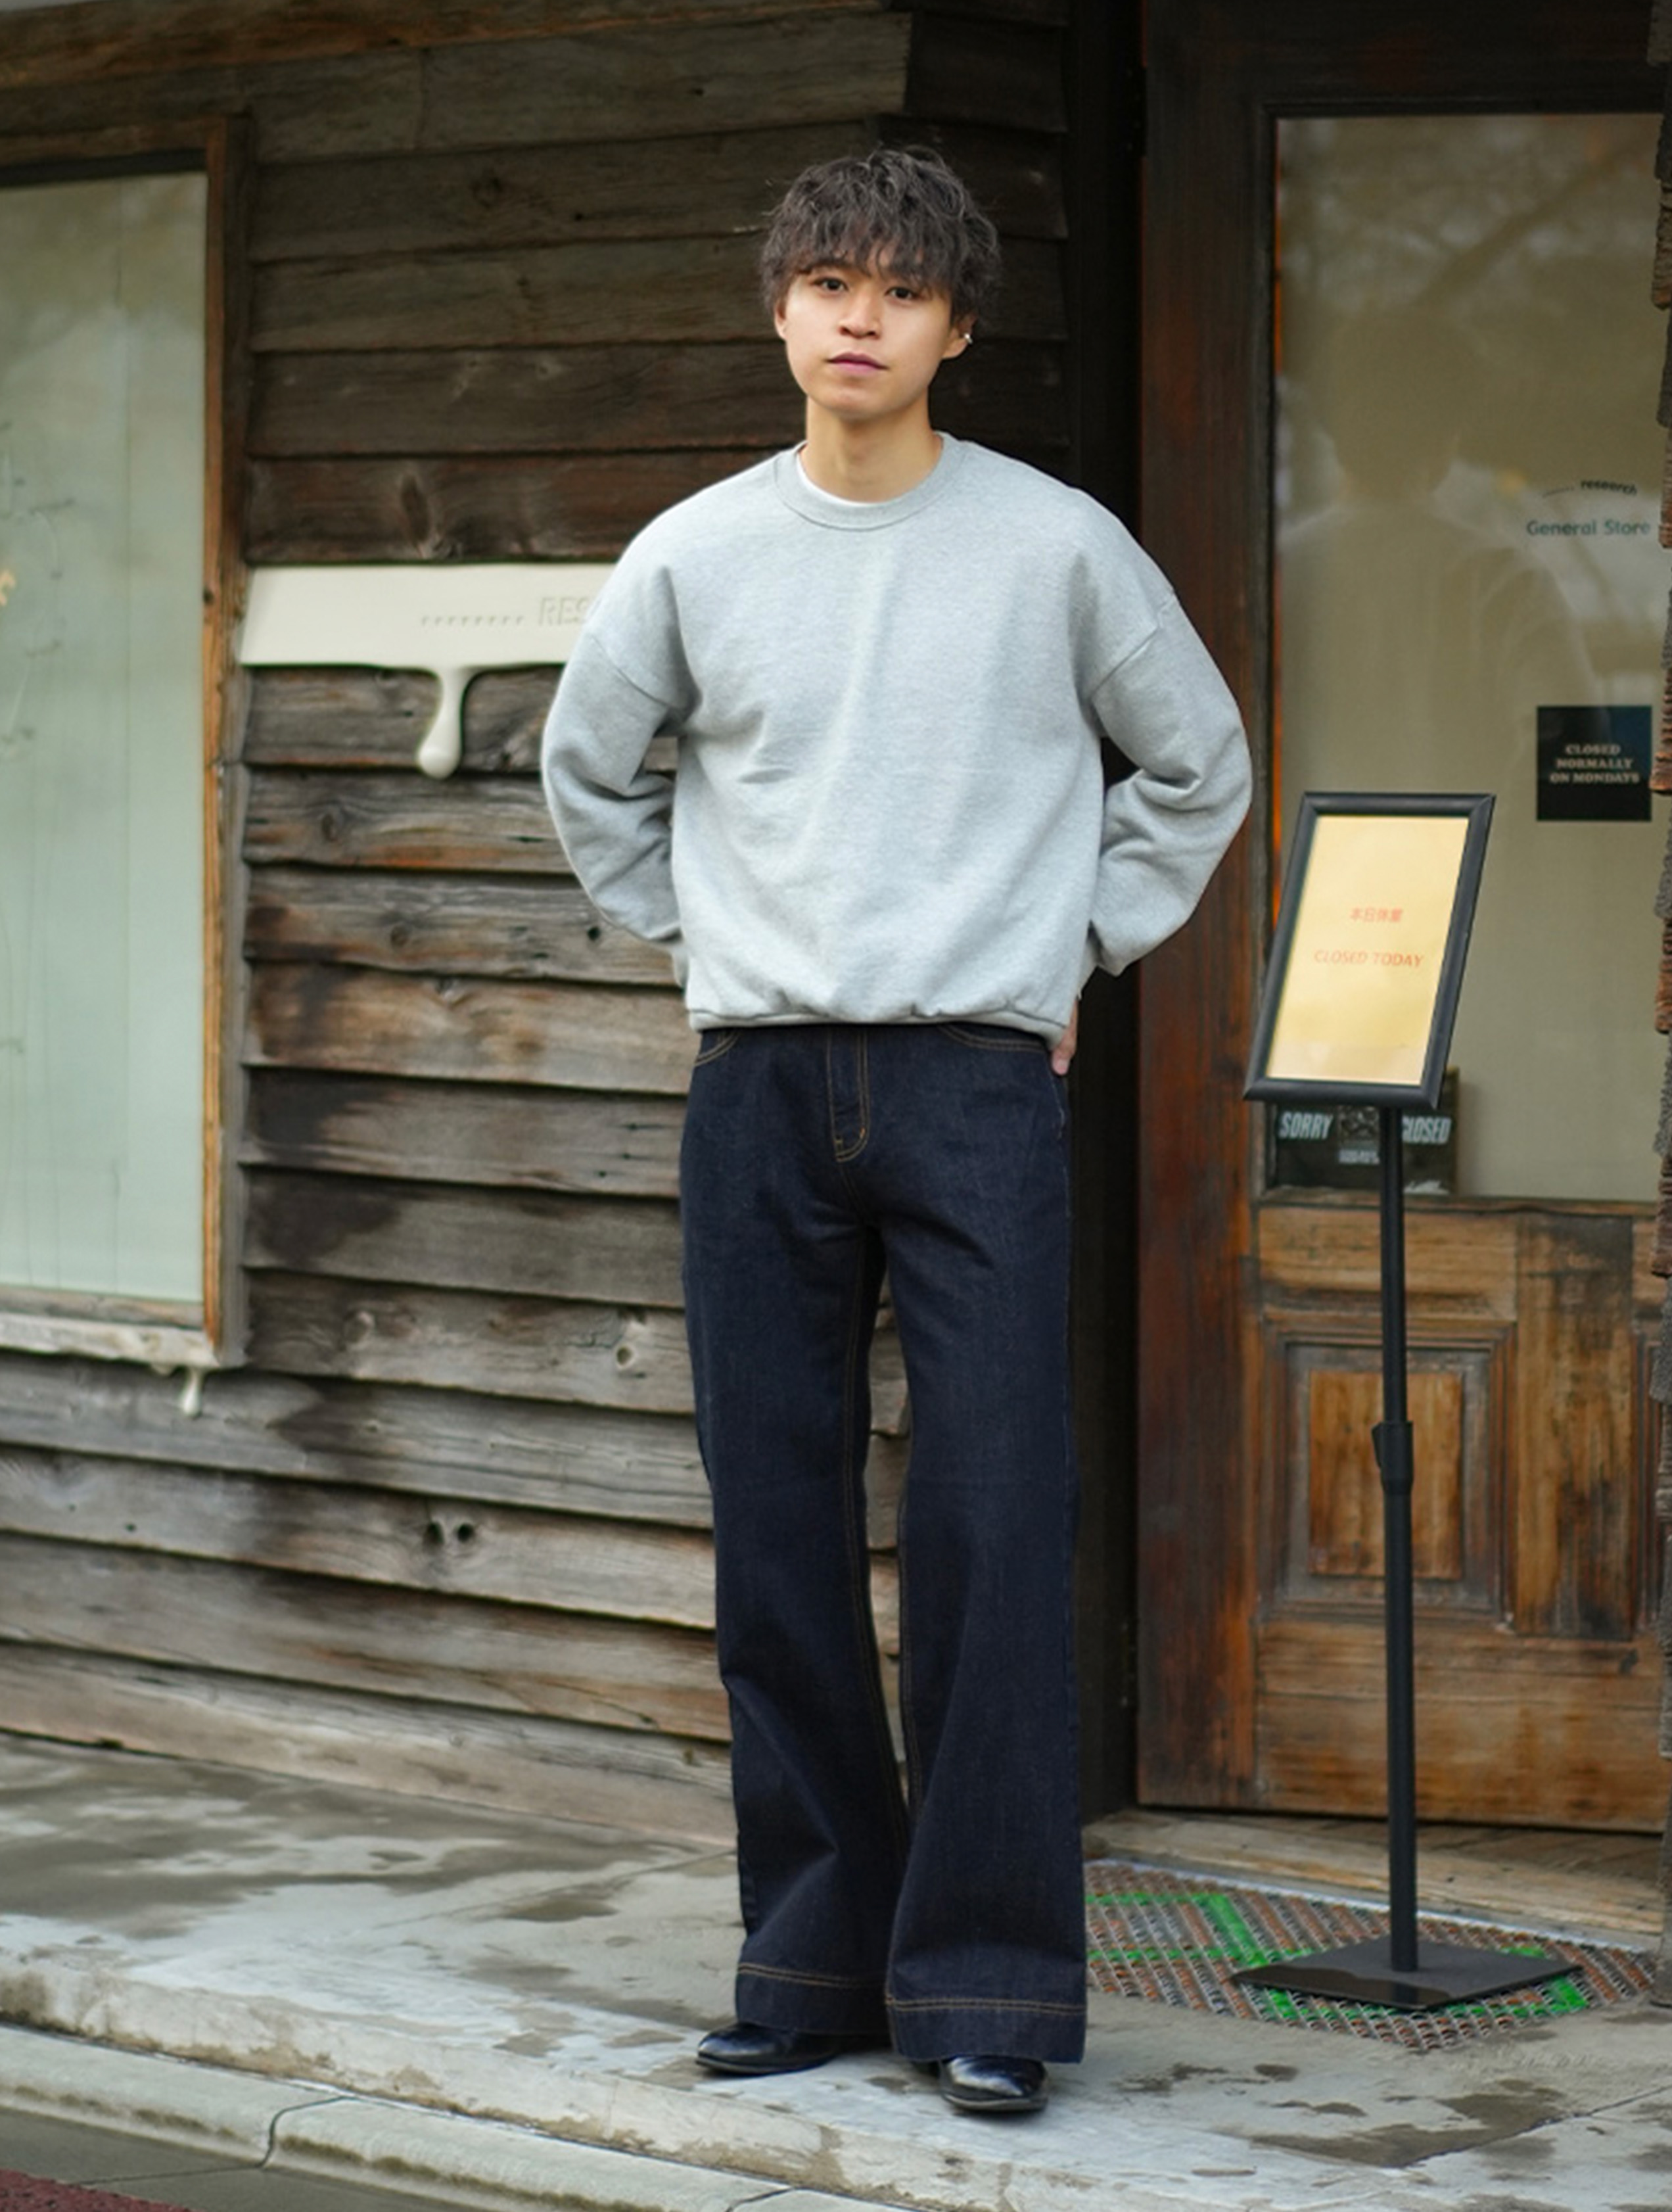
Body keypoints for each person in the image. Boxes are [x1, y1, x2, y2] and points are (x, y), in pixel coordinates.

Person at [542, 148, 1249, 2117]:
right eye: (827, 282)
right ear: (780, 309)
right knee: (774, 1530)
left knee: (994, 1529)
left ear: (957, 326)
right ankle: (808, 1960)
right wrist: (707, 942)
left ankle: (988, 1992)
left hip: (975, 1082)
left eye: (899, 289)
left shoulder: (1055, 547)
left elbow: (1196, 762)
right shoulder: (694, 553)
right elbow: (590, 773)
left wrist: (1074, 947)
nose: (859, 317)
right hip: (761, 1084)